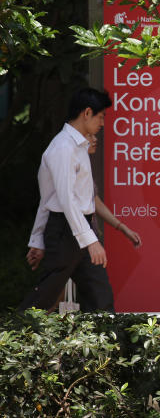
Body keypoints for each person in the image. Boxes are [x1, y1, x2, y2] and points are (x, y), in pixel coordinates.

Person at [19, 88, 119, 312]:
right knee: (46, 295)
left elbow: (50, 198)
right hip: (66, 230)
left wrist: (37, 239)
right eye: (101, 116)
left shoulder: (77, 146)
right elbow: (64, 200)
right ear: (87, 113)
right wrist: (90, 240)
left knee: (99, 294)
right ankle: (13, 339)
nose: (102, 124)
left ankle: (108, 344)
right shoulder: (63, 148)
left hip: (74, 228)